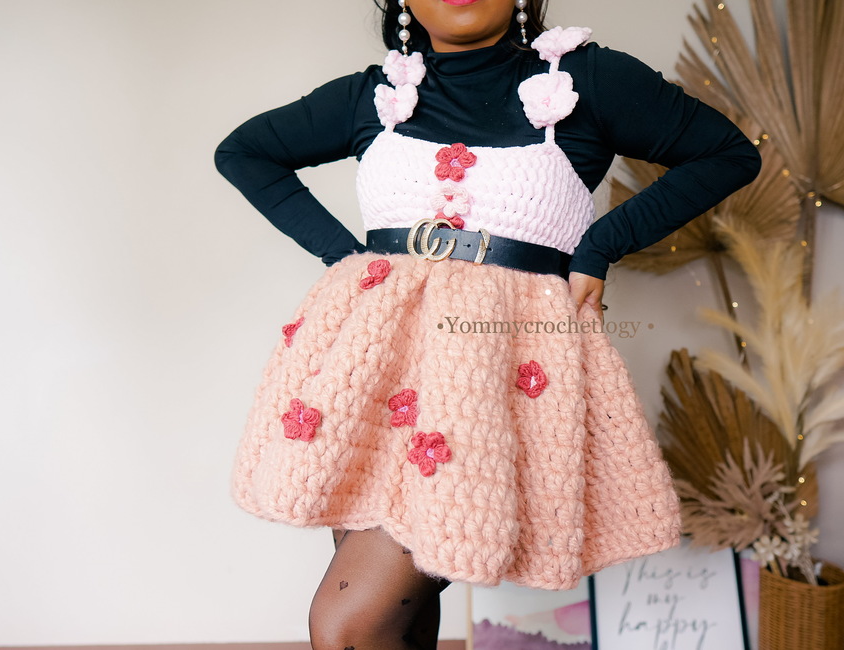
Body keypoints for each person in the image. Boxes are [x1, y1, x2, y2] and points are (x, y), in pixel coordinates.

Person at [215, 1, 761, 648]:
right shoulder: (377, 93)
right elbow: (244, 151)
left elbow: (726, 153)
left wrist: (599, 247)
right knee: (398, 618)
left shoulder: (586, 80)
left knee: (349, 623)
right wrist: (348, 259)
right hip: (373, 370)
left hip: (492, 377)